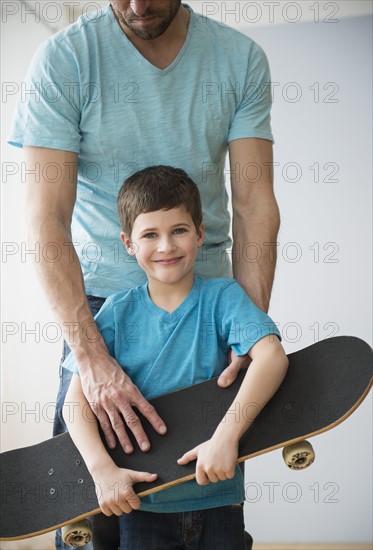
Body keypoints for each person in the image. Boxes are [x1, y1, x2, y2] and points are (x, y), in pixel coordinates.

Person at [8, 1, 280, 547]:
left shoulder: (238, 58)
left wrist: (246, 327)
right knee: (94, 518)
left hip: (206, 309)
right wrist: (89, 356)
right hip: (99, 311)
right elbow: (46, 221)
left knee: (205, 501)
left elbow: (254, 204)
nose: (136, 6)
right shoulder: (66, 59)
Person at [62, 165, 288, 550]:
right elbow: (75, 402)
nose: (166, 246)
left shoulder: (223, 299)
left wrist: (225, 439)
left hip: (218, 495)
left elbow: (272, 358)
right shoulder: (116, 313)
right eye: (150, 235)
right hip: (143, 506)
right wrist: (103, 472)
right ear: (128, 243)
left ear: (200, 233)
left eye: (179, 231)